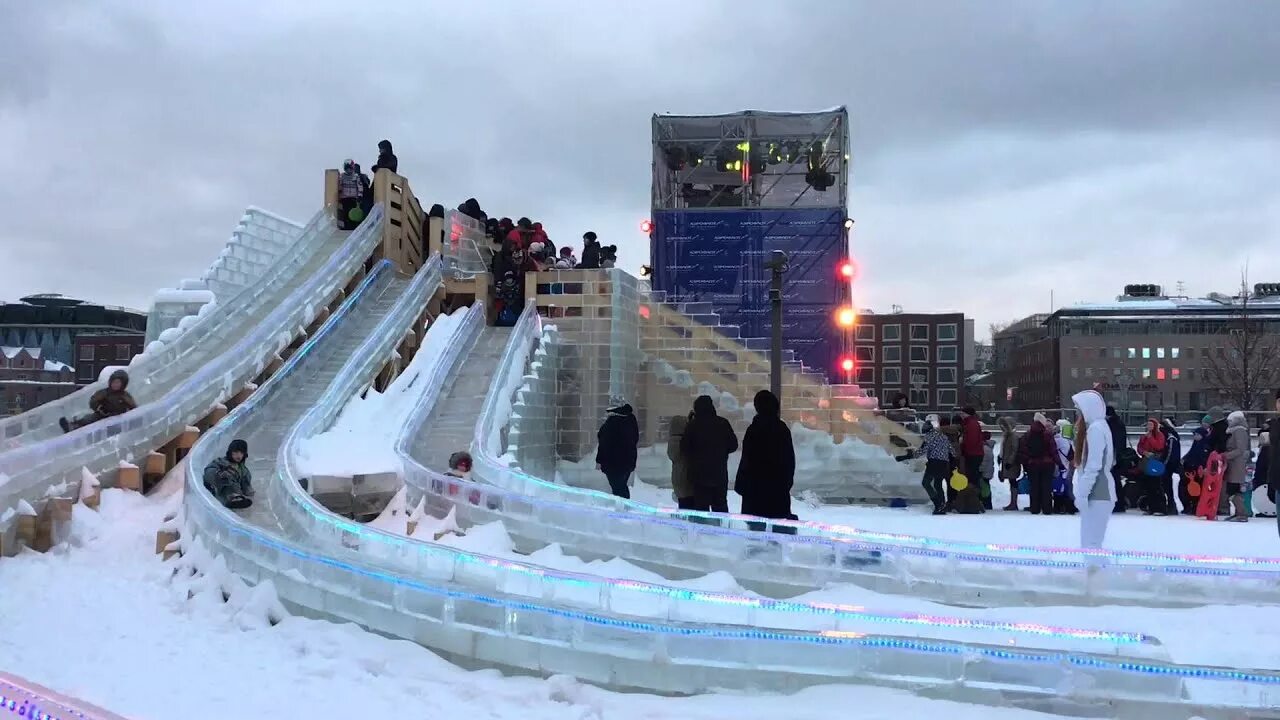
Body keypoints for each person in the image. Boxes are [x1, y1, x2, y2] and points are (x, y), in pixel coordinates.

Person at [734, 390, 796, 528]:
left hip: (754, 490)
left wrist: (743, 485)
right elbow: (789, 461)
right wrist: (785, 484)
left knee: (756, 534)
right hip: (777, 490)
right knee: (777, 534)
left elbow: (746, 460)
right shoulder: (782, 429)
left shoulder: (753, 430)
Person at [1072, 389, 1116, 552]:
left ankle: (1095, 576)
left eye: (1079, 410)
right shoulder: (1099, 427)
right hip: (1098, 494)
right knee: (1090, 543)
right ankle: (1092, 575)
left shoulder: (1096, 429)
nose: (1078, 415)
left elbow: (1094, 466)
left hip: (1099, 494)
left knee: (1091, 543)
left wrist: (1083, 493)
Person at [680, 394, 738, 513]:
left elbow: (684, 448)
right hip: (719, 473)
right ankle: (721, 530)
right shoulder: (722, 423)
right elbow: (733, 445)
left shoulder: (693, 426)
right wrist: (721, 451)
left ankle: (702, 531)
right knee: (720, 506)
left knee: (701, 510)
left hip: (698, 475)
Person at [59, 369, 137, 433]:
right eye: (114, 382)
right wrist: (100, 408)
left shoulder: (125, 396)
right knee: (89, 419)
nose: (115, 385)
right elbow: (93, 401)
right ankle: (73, 426)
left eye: (118, 383)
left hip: (117, 419)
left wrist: (128, 415)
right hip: (102, 415)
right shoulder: (105, 392)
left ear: (123, 384)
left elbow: (133, 407)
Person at [595, 396, 639, 499]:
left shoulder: (613, 422)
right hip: (628, 461)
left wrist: (599, 460)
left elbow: (605, 443)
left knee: (618, 488)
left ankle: (622, 509)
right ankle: (624, 507)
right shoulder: (630, 419)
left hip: (614, 463)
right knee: (621, 487)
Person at [1017, 414, 1061, 515]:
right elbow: (1053, 450)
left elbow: (1023, 450)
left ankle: (1035, 508)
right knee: (1046, 486)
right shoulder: (1048, 434)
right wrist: (1059, 463)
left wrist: (1025, 463)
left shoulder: (1027, 434)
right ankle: (1047, 509)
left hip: (1033, 464)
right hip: (1047, 464)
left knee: (1034, 486)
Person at [203, 439, 252, 509]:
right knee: (226, 477)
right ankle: (231, 497)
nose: (239, 455)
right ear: (230, 452)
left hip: (237, 492)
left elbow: (246, 486)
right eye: (236, 452)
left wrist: (249, 491)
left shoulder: (244, 470)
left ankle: (237, 498)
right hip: (221, 490)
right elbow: (208, 471)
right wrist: (218, 474)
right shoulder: (221, 462)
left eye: (241, 453)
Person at [919, 414, 954, 514]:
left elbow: (922, 451)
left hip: (933, 463)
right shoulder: (943, 437)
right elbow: (952, 451)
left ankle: (938, 504)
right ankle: (942, 504)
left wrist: (910, 454)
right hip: (944, 463)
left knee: (926, 483)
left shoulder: (928, 437)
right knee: (938, 484)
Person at [1222, 410, 1252, 521]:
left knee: (1233, 489)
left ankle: (1242, 513)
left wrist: (1226, 455)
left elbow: (1240, 449)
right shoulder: (1235, 431)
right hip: (1233, 464)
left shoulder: (1239, 431)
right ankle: (1239, 512)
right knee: (1233, 489)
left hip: (1236, 464)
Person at [1136, 418, 1169, 515]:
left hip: (1155, 461)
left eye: (1151, 425)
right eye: (1148, 424)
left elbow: (1159, 446)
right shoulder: (1144, 436)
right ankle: (1151, 507)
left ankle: (1160, 508)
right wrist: (1144, 452)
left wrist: (1150, 438)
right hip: (1146, 461)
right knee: (1148, 485)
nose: (1149, 426)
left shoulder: (1159, 435)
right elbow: (1139, 447)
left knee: (1156, 485)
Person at [1179, 426, 1212, 515]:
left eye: (1197, 434)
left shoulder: (1205, 446)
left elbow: (1204, 459)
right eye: (1195, 435)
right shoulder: (1196, 444)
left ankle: (1195, 507)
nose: (1195, 436)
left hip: (1198, 472)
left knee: (1196, 490)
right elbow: (1190, 454)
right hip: (1191, 471)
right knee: (1186, 489)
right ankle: (1188, 506)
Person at [959, 407, 987, 508]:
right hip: (975, 453)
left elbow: (971, 441)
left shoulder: (970, 424)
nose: (961, 415)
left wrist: (962, 445)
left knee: (972, 478)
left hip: (972, 454)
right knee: (973, 477)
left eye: (962, 413)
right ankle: (974, 501)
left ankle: (973, 502)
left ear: (967, 414)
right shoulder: (971, 423)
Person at [1105, 406, 1131, 512]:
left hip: (1113, 456)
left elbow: (1113, 441)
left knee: (1113, 480)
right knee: (1116, 480)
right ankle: (1119, 502)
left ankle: (1118, 503)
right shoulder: (1118, 423)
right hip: (1118, 456)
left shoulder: (1111, 424)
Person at [667, 414, 694, 509]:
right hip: (686, 478)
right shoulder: (683, 441)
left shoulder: (672, 441)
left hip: (677, 478)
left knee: (683, 506)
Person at [336, 159, 370, 230]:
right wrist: (339, 192)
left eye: (350, 169)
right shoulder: (342, 176)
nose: (349, 171)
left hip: (353, 197)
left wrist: (360, 195)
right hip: (345, 198)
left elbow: (360, 187)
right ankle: (346, 226)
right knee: (345, 212)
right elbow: (340, 185)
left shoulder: (356, 176)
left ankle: (353, 226)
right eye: (347, 169)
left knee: (353, 212)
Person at [1053, 420, 1078, 515]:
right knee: (1067, 485)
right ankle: (1068, 505)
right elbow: (1072, 454)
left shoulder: (1055, 439)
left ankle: (1058, 506)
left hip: (1058, 465)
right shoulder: (1067, 441)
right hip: (1066, 465)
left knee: (1059, 486)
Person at [998, 416, 1022, 511]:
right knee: (1011, 481)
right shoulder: (1007, 435)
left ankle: (1014, 502)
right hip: (1007, 461)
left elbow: (1014, 450)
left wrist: (1010, 462)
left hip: (1011, 463)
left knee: (1013, 481)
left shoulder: (1013, 436)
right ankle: (1013, 501)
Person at [1158, 418, 1182, 514]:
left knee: (1166, 484)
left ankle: (1171, 505)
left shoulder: (1170, 436)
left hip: (1168, 465)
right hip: (1168, 464)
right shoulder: (1170, 434)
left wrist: (1164, 463)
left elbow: (1170, 452)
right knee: (1166, 484)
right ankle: (1170, 505)